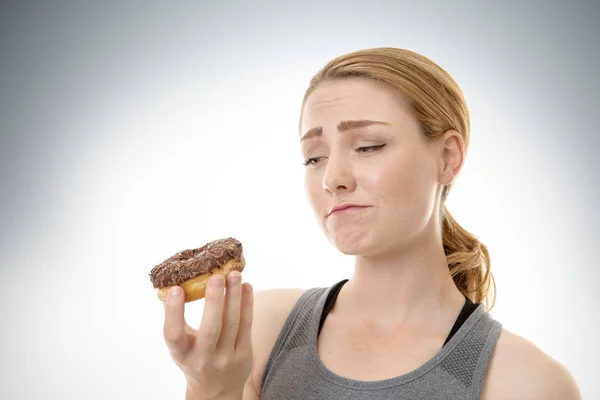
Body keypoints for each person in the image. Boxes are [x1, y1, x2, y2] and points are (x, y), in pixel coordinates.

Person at [162, 47, 581, 399]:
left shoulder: (526, 382)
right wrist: (212, 389)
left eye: (368, 146)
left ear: (448, 157)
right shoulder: (259, 334)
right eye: (314, 157)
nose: (332, 179)